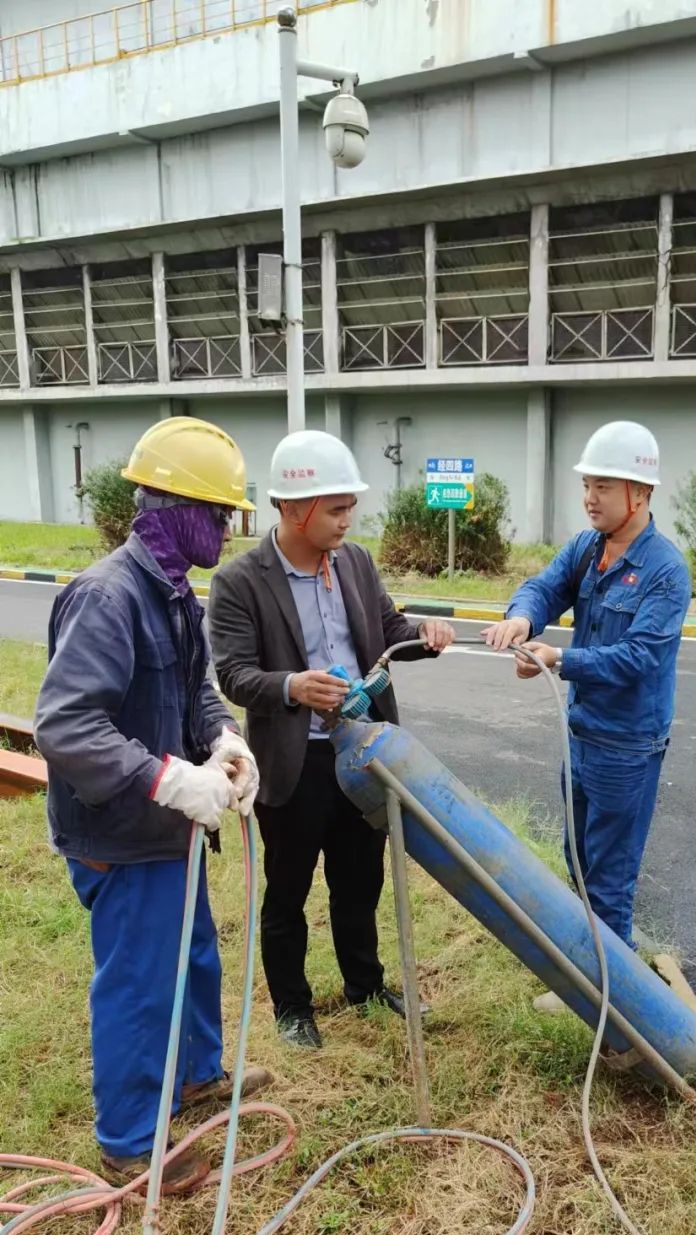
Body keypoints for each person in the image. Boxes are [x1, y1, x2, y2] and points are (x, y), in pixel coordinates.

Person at [34, 417, 272, 1194]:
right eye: (219, 514)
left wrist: (225, 740)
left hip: (169, 828)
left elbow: (195, 690)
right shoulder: (109, 598)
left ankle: (198, 1074)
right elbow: (66, 725)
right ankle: (130, 1143)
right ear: (169, 508)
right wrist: (170, 779)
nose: (230, 530)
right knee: (140, 982)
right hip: (122, 832)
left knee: (194, 949)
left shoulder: (173, 593)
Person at [208, 430, 454, 1050]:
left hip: (363, 754)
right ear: (293, 508)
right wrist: (293, 686)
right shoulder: (240, 581)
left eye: (350, 507)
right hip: (294, 762)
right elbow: (234, 674)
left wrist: (424, 634)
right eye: (337, 509)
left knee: (359, 880)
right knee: (288, 890)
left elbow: (386, 629)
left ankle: (364, 987)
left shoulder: (356, 562)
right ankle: (292, 1009)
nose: (348, 520)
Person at [483, 420, 691, 946]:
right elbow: (544, 587)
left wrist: (558, 660)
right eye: (587, 485)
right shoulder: (586, 548)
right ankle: (586, 975)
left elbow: (640, 657)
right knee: (577, 861)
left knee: (609, 880)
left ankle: (614, 1002)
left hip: (626, 748)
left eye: (603, 486)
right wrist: (524, 622)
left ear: (640, 493)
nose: (589, 499)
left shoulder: (666, 571)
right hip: (582, 738)